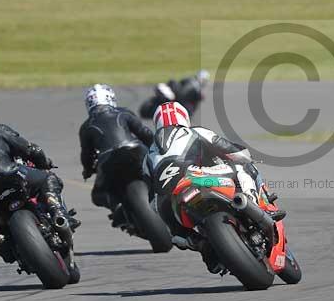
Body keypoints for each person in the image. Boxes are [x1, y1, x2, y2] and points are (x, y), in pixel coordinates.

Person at [143, 101, 283, 272]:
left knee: (180, 236)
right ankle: (263, 206)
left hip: (169, 200)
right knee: (241, 167)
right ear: (184, 117)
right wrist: (247, 157)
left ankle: (203, 247)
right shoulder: (194, 131)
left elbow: (151, 200)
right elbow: (228, 149)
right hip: (196, 178)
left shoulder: (148, 154)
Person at [0, 103, 78, 262]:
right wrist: (44, 162)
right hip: (11, 174)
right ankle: (58, 213)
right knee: (48, 178)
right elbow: (31, 150)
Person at [79, 84, 154, 223]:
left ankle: (117, 206)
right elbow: (145, 133)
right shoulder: (124, 113)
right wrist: (156, 147)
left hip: (108, 161)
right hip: (136, 151)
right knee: (156, 171)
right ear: (111, 98)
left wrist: (88, 170)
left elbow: (86, 155)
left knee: (97, 195)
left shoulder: (87, 126)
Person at [138, 70, 210, 119]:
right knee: (188, 111)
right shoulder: (196, 88)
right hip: (179, 100)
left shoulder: (189, 79)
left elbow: (179, 83)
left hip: (177, 96)